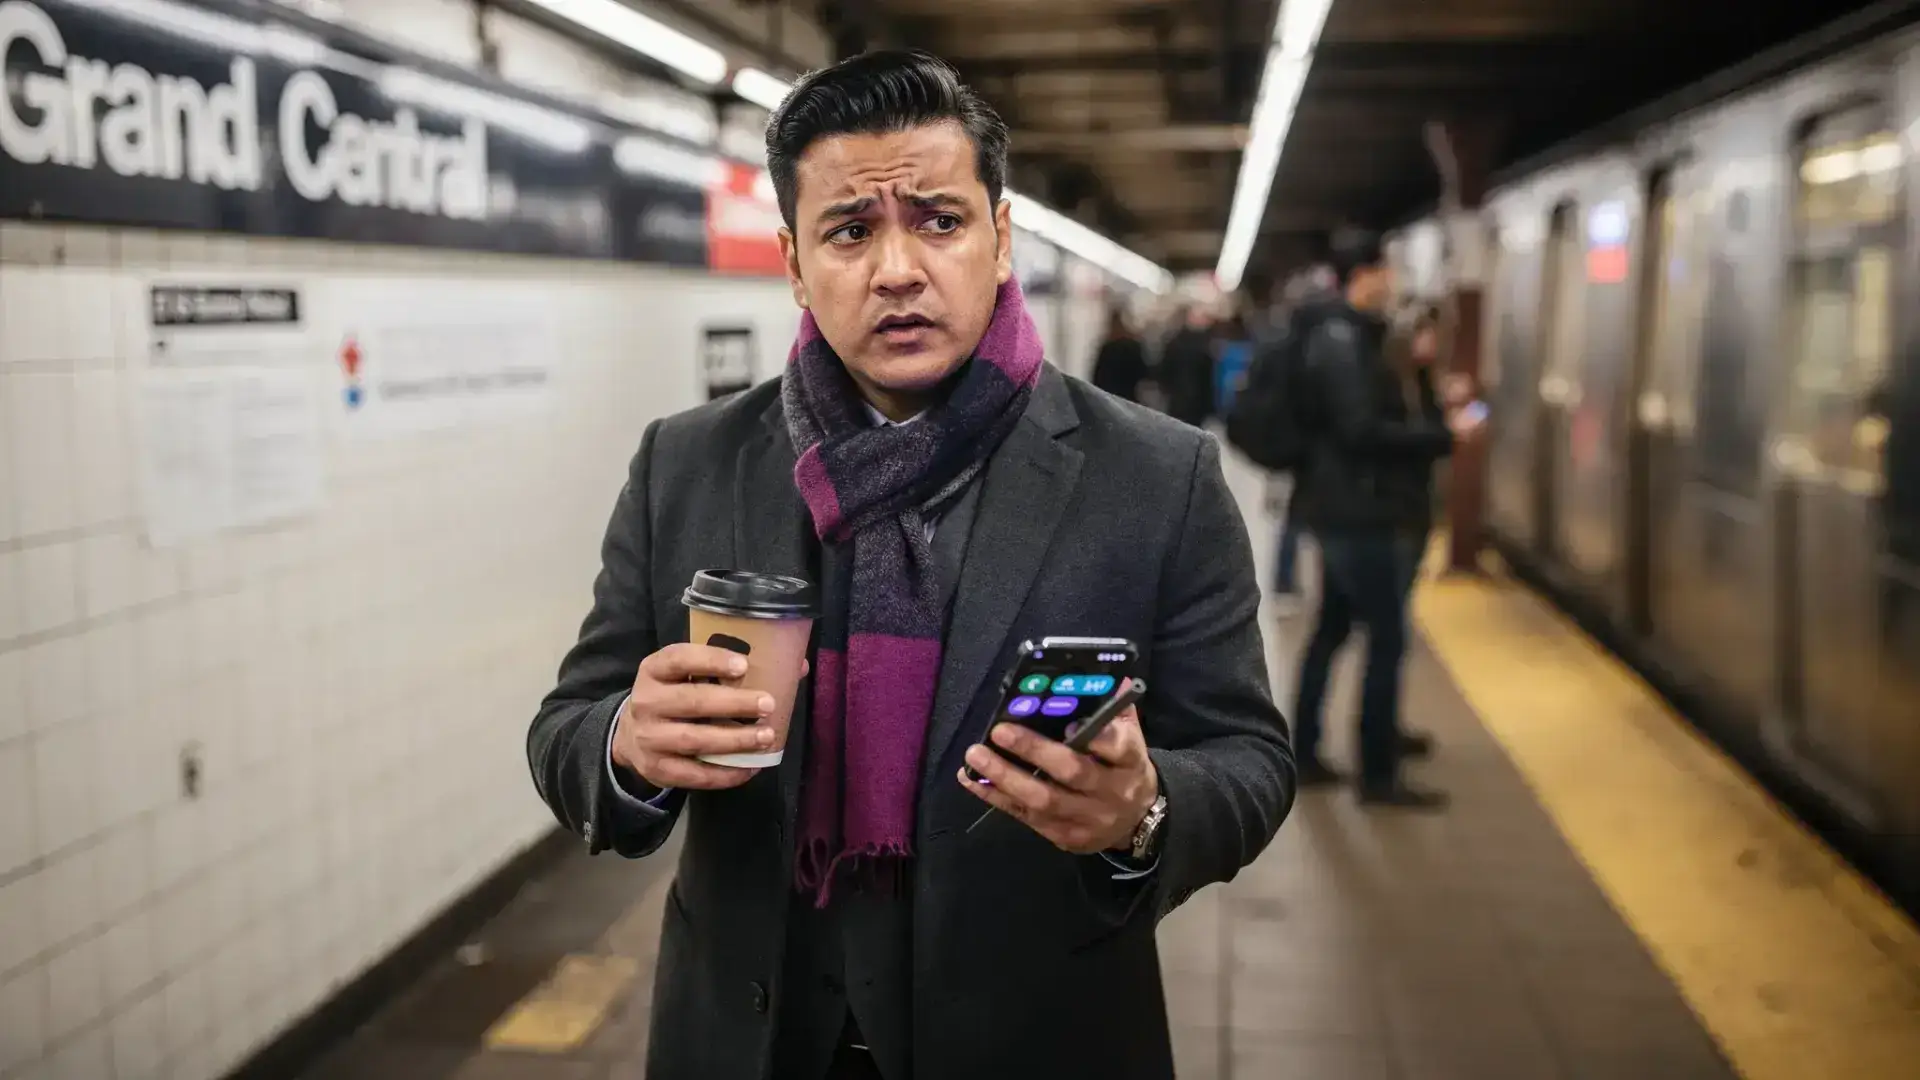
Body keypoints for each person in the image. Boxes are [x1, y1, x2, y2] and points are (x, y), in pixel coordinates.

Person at [526, 50, 1294, 1080]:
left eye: (939, 219)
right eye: (850, 230)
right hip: (747, 1040)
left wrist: (1141, 812)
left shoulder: (1155, 479)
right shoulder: (691, 463)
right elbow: (568, 727)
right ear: (795, 265)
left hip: (1038, 1038)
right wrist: (625, 743)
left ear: (1001, 237)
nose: (898, 269)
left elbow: (1248, 759)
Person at [1288, 229, 1482, 809]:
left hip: (1348, 507)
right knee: (1385, 639)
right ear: (1365, 275)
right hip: (1358, 513)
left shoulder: (1348, 336)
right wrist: (1446, 435)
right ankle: (1376, 774)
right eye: (1386, 269)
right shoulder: (1342, 340)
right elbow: (1361, 432)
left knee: (1334, 629)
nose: (1393, 280)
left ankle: (1312, 751)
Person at [1158, 305, 1217, 427]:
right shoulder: (1201, 345)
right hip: (1196, 402)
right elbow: (1207, 377)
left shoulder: (1173, 344)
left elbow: (1164, 372)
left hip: (1177, 400)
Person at [1090, 308, 1151, 402]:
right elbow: (1142, 373)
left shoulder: (1108, 347)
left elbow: (1098, 376)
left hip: (1109, 397)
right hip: (1129, 396)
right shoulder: (1133, 345)